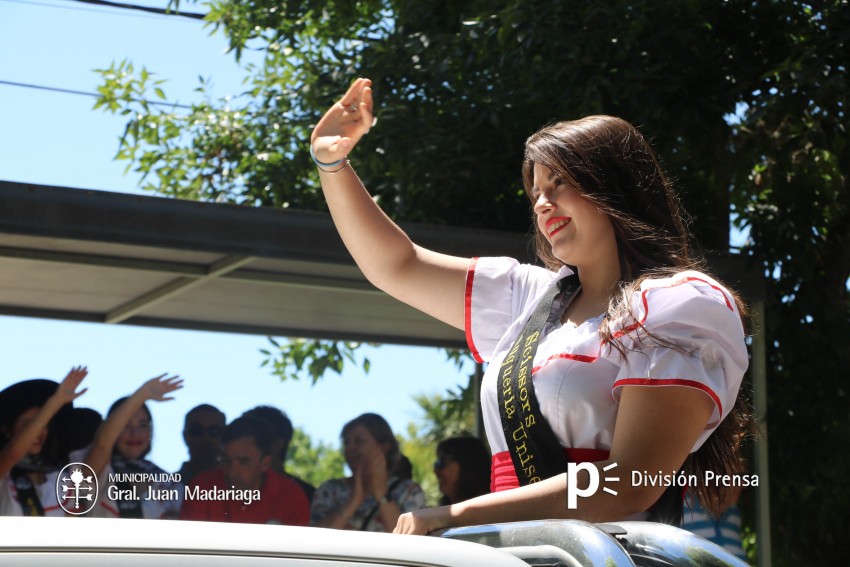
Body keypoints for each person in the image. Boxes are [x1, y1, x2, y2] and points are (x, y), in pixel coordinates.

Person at [309, 78, 750, 535]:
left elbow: (629, 483)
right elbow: (397, 265)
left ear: (616, 187)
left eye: (560, 182)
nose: (542, 203)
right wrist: (332, 164)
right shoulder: (529, 298)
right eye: (536, 191)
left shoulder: (681, 303)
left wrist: (456, 516)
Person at [81, 373, 184, 519]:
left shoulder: (167, 482)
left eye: (143, 425)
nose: (135, 434)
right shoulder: (98, 471)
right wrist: (142, 394)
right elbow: (102, 446)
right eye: (125, 425)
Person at [179, 415, 310, 525]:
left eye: (243, 462)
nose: (232, 472)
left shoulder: (291, 497)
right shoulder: (202, 486)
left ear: (265, 463)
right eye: (226, 460)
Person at [310, 413, 426, 532]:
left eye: (359, 441)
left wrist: (382, 495)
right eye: (346, 443)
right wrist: (354, 501)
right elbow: (316, 535)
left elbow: (408, 537)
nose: (349, 449)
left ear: (384, 447)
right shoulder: (329, 490)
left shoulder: (409, 491)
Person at [0, 367, 88, 516]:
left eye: (43, 424)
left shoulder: (60, 480)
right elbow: (13, 452)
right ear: (7, 431)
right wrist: (55, 401)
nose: (38, 431)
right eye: (26, 424)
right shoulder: (4, 476)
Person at [242, 405, 315, 502]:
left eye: (252, 441)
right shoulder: (229, 489)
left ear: (277, 444)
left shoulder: (308, 497)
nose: (242, 447)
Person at [434, 437, 491, 506]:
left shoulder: (491, 509)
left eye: (441, 462)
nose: (436, 471)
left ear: (467, 465)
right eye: (436, 464)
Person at [177, 404, 226, 484]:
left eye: (214, 431)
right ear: (185, 436)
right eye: (197, 431)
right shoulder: (166, 487)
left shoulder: (237, 483)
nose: (205, 438)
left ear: (224, 436)